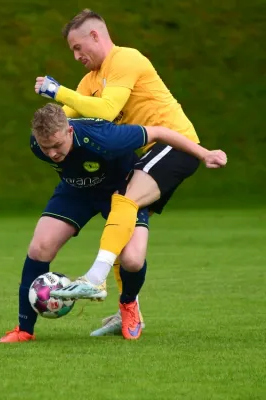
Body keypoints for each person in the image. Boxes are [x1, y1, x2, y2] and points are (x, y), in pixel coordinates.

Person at [34, 9, 227, 335]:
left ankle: (95, 279)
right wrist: (45, 127)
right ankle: (127, 308)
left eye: (79, 48)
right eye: (72, 52)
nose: (77, 56)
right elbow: (64, 120)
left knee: (123, 199)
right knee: (132, 255)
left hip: (174, 144)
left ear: (96, 36)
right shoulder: (90, 81)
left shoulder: (126, 60)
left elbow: (107, 109)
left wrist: (58, 91)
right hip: (151, 155)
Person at [0, 104, 226, 343]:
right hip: (76, 191)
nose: (53, 153)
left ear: (69, 132)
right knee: (39, 247)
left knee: (133, 260)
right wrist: (51, 150)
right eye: (47, 148)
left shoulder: (105, 137)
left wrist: (204, 154)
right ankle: (24, 330)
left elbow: (159, 132)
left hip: (123, 190)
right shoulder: (37, 144)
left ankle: (128, 305)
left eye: (57, 146)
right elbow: (55, 154)